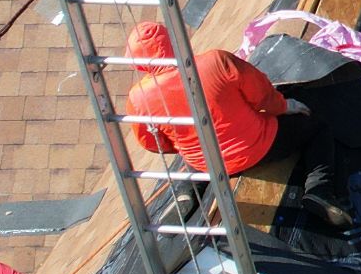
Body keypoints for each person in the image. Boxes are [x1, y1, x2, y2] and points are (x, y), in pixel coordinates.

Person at [122, 22, 298, 175]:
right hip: (259, 147)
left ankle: (187, 191)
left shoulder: (137, 99)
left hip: (207, 168)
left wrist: (183, 146)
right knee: (317, 119)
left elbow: (152, 143)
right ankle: (317, 189)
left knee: (188, 159)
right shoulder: (216, 60)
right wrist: (284, 106)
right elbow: (263, 96)